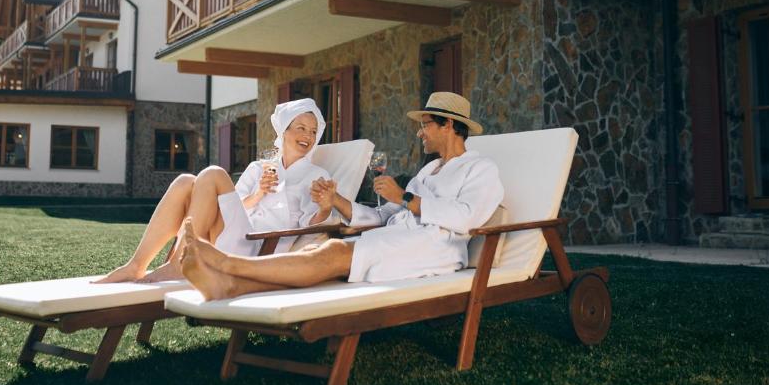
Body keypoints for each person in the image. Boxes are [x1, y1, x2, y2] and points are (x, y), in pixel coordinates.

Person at [178, 92, 504, 300]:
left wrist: (405, 198)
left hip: (433, 247)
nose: (420, 132)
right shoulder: (426, 172)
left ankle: (225, 263)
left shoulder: (480, 169)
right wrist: (336, 202)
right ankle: (229, 286)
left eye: (426, 124)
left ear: (448, 125)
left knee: (331, 255)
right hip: (397, 238)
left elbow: (467, 217)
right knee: (329, 257)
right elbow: (381, 217)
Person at [95, 98, 336, 283]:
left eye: (313, 131)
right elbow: (235, 206)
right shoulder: (258, 168)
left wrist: (326, 207)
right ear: (284, 130)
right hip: (230, 234)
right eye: (301, 128)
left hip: (258, 248)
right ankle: (137, 265)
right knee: (185, 181)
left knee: (213, 174)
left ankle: (181, 263)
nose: (308, 136)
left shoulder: (317, 175)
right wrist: (258, 195)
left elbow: (310, 225)